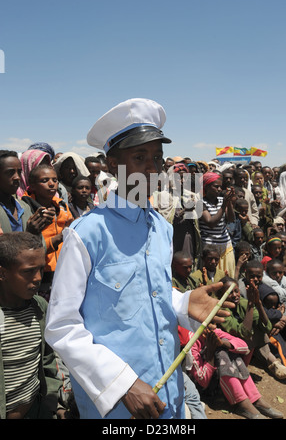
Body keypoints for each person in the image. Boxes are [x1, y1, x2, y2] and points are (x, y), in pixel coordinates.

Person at [45, 98, 233, 420]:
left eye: (157, 158)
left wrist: (183, 303)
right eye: (139, 156)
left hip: (167, 390)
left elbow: (149, 290)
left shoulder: (159, 226)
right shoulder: (87, 233)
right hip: (119, 406)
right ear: (112, 163)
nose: (151, 167)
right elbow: (62, 326)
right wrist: (121, 384)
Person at [0, 232, 63, 419]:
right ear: (2, 273)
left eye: (41, 270)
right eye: (28, 271)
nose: (37, 278)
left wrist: (53, 404)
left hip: (36, 411)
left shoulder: (39, 307)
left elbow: (47, 359)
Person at [179, 323, 283, 419]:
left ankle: (254, 399)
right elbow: (203, 381)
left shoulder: (215, 331)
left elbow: (244, 346)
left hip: (217, 379)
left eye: (214, 323)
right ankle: (242, 403)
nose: (213, 326)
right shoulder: (192, 342)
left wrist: (222, 343)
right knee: (220, 353)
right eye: (210, 323)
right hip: (204, 388)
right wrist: (210, 352)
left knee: (226, 346)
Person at [217, 273, 286, 380]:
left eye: (236, 291)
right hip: (234, 347)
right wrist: (251, 305)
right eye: (229, 293)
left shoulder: (242, 302)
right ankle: (268, 362)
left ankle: (274, 363)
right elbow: (244, 333)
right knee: (252, 331)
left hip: (250, 344)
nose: (234, 295)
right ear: (221, 295)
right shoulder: (221, 311)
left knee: (258, 327)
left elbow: (266, 327)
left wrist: (258, 303)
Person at [21, 164, 74, 300]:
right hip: (41, 273)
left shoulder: (61, 205)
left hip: (63, 269)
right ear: (32, 185)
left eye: (54, 180)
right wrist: (58, 238)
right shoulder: (26, 208)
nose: (51, 184)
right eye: (44, 181)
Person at [0, 150, 53, 236]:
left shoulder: (24, 207)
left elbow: (40, 246)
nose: (17, 177)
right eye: (10, 173)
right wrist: (29, 233)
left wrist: (37, 228)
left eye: (19, 172)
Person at [198, 172, 235, 276]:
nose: (219, 189)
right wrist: (224, 206)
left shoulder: (221, 200)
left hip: (225, 246)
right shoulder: (200, 203)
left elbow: (231, 219)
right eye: (216, 186)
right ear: (206, 187)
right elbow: (210, 222)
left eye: (220, 187)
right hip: (210, 249)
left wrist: (229, 202)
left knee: (227, 277)